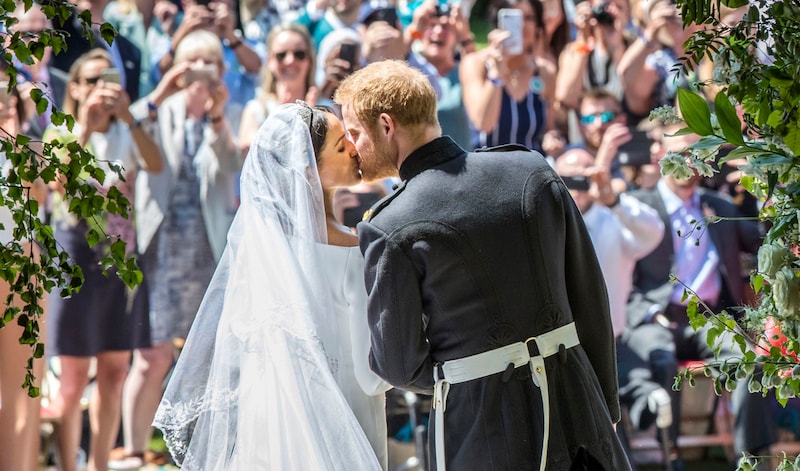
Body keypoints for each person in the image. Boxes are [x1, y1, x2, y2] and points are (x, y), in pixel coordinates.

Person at [334, 59, 631, 470]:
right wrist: (606, 404)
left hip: (482, 426)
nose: (353, 147)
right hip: (578, 405)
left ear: (386, 126)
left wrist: (467, 372)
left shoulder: (388, 225)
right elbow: (589, 294)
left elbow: (398, 364)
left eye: (354, 133)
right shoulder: (531, 170)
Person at [153, 102, 390, 469]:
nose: (355, 151)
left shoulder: (260, 253)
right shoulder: (354, 252)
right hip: (348, 427)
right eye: (342, 146)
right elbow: (372, 378)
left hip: (270, 428)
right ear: (308, 171)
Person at [111, 29, 242, 470]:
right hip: (162, 246)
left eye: (210, 64)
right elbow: (120, 141)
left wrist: (219, 116)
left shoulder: (228, 112)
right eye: (193, 64)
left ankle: (201, 451)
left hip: (210, 248)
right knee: (152, 355)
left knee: (209, 354)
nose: (201, 74)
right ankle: (134, 450)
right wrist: (161, 91)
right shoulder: (159, 109)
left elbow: (229, 168)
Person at [623, 128, 776, 463]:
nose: (690, 161)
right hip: (656, 318)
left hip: (711, 320)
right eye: (681, 152)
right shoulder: (638, 206)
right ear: (659, 153)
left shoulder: (719, 207)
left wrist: (765, 190)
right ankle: (670, 456)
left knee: (748, 363)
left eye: (698, 153)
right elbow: (621, 272)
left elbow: (767, 244)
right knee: (660, 360)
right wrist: (646, 313)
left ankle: (750, 460)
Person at [43, 47, 163, 471]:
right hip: (74, 259)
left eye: (107, 78)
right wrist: (87, 129)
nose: (100, 88)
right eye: (91, 80)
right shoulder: (61, 130)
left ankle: (99, 465)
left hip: (121, 264)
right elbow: (57, 183)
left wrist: (127, 117)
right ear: (74, 87)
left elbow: (156, 163)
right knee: (73, 380)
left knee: (114, 373)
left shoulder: (127, 130)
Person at [0, 71, 49, 471]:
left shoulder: (27, 144)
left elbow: (46, 193)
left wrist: (16, 134)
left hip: (21, 266)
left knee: (24, 389)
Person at [460, 0, 557, 154]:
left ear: (538, 28)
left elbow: (548, 130)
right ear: (498, 23)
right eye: (514, 18)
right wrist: (497, 72)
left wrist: (552, 139)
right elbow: (484, 123)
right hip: (487, 168)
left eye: (529, 18)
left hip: (531, 171)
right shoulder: (476, 64)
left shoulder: (545, 72)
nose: (522, 26)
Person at [238, 23, 317, 155]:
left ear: (309, 59)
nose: (290, 60)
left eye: (299, 54)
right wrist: (283, 116)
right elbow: (250, 154)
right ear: (270, 60)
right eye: (281, 55)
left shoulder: (325, 108)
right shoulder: (256, 110)